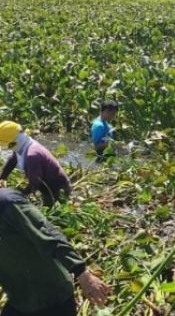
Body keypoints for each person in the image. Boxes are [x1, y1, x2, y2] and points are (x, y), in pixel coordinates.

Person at [0, 187, 111, 315]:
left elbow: (48, 234)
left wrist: (82, 273)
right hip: (20, 298)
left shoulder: (7, 203)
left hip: (52, 296)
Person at [0, 121, 71, 207]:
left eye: (8, 146)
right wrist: (2, 178)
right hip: (46, 185)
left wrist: (18, 195)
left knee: (48, 214)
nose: (8, 148)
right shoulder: (23, 145)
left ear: (14, 141)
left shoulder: (32, 155)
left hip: (57, 189)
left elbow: (35, 183)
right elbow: (13, 160)